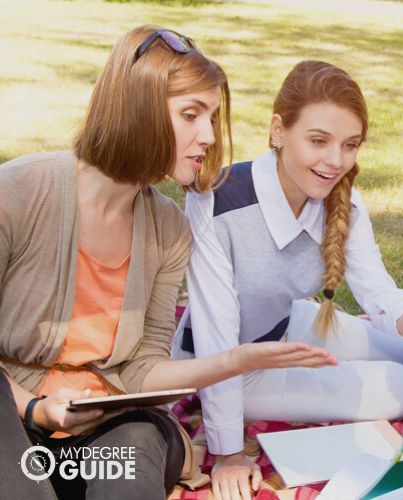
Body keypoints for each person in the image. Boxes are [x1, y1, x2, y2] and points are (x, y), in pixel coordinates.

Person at [0, 26, 335, 500]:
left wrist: (233, 361)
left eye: (213, 117)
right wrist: (36, 410)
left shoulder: (169, 228)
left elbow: (143, 369)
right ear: (136, 108)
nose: (208, 135)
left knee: (138, 439)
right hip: (15, 423)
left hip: (92, 441)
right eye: (190, 115)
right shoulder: (16, 194)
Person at [175, 60, 403, 498]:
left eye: (350, 145)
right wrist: (228, 451)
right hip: (235, 366)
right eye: (319, 141)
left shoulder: (344, 203)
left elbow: (376, 290)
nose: (335, 161)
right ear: (278, 130)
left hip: (291, 324)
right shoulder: (215, 200)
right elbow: (218, 335)